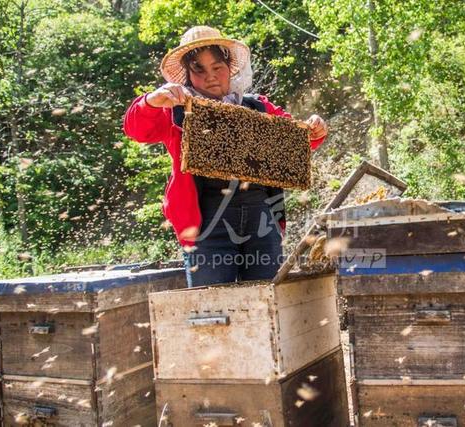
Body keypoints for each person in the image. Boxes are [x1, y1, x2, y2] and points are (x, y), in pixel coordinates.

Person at [123, 26, 327, 287]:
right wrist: (150, 101)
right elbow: (136, 129)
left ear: (230, 68)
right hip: (206, 218)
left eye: (217, 67)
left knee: (266, 302)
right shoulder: (173, 110)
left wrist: (315, 129)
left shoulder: (257, 106)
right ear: (186, 74)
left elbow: (300, 142)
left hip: (261, 214)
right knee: (212, 307)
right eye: (199, 69)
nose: (210, 77)